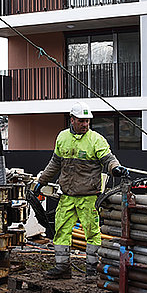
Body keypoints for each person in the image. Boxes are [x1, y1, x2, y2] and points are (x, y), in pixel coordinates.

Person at [34, 102, 128, 279]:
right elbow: (55, 163)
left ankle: (92, 269)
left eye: (87, 121)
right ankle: (62, 267)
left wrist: (116, 168)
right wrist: (42, 181)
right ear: (72, 120)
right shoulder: (62, 138)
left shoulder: (96, 140)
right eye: (82, 121)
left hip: (88, 197)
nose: (85, 124)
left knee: (92, 233)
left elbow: (109, 159)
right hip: (67, 196)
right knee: (61, 231)